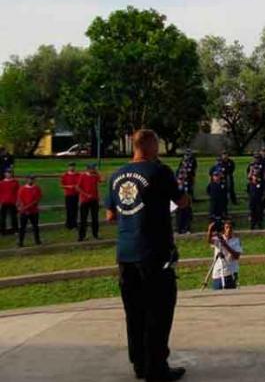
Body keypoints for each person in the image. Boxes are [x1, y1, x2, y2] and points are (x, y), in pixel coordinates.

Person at [105, 129, 189, 382]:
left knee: (135, 311)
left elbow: (110, 216)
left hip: (125, 254)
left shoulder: (116, 175)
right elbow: (182, 201)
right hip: (154, 252)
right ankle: (156, 368)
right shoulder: (159, 171)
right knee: (159, 311)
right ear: (151, 145)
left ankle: (139, 364)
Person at [206, 220, 242, 290]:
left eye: (230, 228)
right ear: (224, 229)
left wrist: (225, 244)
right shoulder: (218, 239)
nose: (228, 230)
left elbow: (236, 256)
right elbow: (209, 241)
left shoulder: (236, 241)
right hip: (217, 273)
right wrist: (210, 230)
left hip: (230, 273)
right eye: (226, 227)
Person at [76, 164, 102, 241]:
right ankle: (81, 236)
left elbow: (103, 179)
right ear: (88, 169)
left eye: (94, 168)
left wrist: (98, 173)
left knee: (95, 218)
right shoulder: (82, 176)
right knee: (83, 219)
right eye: (92, 169)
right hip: (85, 200)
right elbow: (77, 187)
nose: (94, 170)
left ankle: (95, 234)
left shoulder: (95, 176)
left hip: (94, 200)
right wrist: (86, 195)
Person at [17, 175, 42, 246]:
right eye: (29, 179)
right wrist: (23, 208)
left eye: (32, 179)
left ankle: (37, 241)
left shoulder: (37, 188)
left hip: (33, 211)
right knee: (22, 227)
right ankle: (20, 242)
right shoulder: (22, 189)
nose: (31, 180)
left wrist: (27, 207)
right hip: (24, 211)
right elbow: (20, 199)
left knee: (35, 226)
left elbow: (37, 200)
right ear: (26, 180)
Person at [60, 162, 80, 230]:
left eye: (73, 166)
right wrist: (68, 186)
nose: (72, 168)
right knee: (69, 210)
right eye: (71, 166)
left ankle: (74, 223)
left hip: (76, 194)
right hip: (68, 195)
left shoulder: (78, 175)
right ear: (68, 167)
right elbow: (62, 185)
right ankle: (69, 224)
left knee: (75, 209)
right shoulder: (65, 175)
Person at [0, 168, 19, 235]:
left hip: (12, 202)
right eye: (7, 172)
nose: (8, 174)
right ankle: (3, 231)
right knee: (3, 218)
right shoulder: (1, 183)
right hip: (3, 202)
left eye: (10, 173)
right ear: (5, 174)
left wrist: (17, 201)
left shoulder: (15, 182)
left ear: (12, 174)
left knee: (14, 217)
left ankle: (15, 230)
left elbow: (18, 192)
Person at [175, 169, 193, 234]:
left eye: (183, 179)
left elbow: (189, 194)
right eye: (180, 179)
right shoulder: (176, 187)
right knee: (179, 217)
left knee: (187, 216)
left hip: (186, 203)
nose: (181, 180)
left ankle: (186, 229)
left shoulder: (187, 185)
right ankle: (179, 229)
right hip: (179, 204)